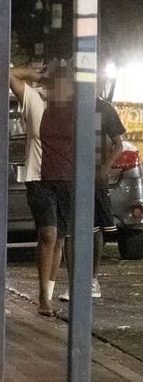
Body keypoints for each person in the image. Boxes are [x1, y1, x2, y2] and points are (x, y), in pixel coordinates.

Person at [10, 59, 73, 316]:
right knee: (47, 235)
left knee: (58, 239)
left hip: (68, 179)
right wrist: (34, 73)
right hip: (39, 178)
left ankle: (48, 293)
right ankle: (42, 298)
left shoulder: (75, 108)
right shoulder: (35, 101)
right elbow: (9, 74)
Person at [58, 93, 126, 301]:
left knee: (95, 228)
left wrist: (104, 169)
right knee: (70, 229)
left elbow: (119, 144)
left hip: (95, 178)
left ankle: (93, 279)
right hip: (69, 176)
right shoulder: (65, 106)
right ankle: (73, 283)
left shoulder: (104, 108)